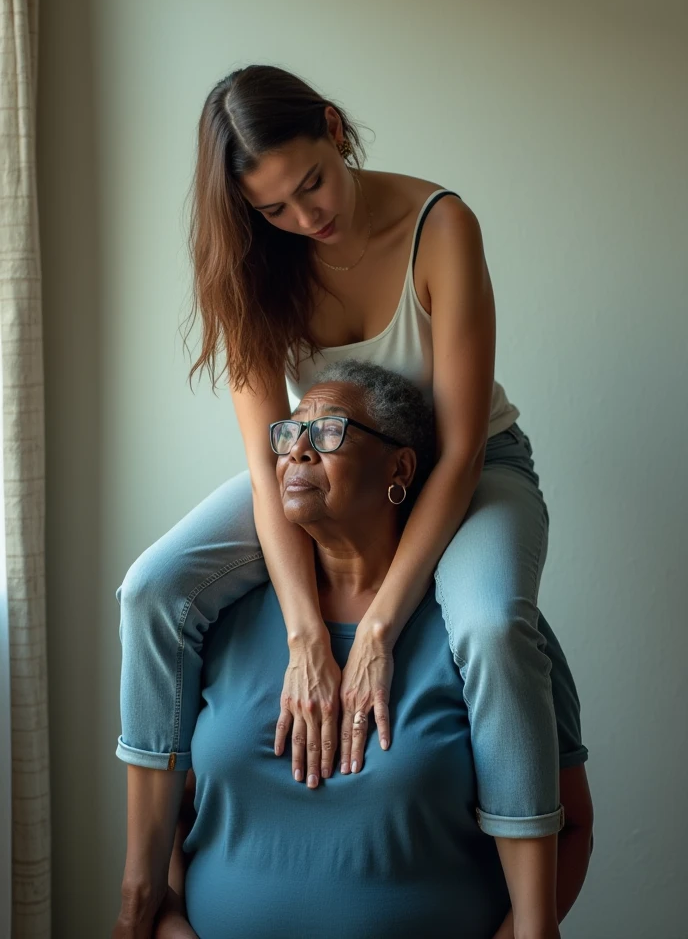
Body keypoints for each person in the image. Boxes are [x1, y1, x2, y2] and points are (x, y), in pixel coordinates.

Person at [113, 64, 586, 938]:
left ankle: (532, 923)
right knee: (151, 589)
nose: (306, 218)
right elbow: (267, 465)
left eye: (311, 184)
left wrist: (373, 636)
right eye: (275, 210)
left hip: (469, 469)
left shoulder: (439, 224)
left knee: (486, 622)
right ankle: (141, 888)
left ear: (334, 128)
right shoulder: (254, 265)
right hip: (326, 462)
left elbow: (460, 447)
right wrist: (304, 637)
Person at [150, 365, 593, 939]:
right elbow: (174, 810)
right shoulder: (216, 618)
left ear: (400, 469)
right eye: (288, 434)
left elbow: (570, 824)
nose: (298, 452)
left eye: (329, 431)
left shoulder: (485, 628)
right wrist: (169, 926)